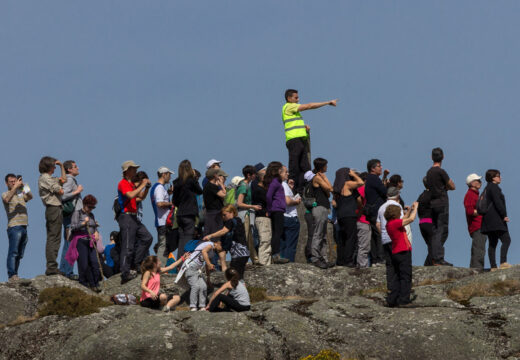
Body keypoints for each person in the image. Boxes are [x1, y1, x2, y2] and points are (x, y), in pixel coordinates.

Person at [282, 89, 337, 194]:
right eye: (296, 97)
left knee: (306, 168)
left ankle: (302, 189)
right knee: (294, 167)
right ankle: (292, 187)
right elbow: (309, 106)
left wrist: (306, 131)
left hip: (300, 140)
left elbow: (296, 127)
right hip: (294, 141)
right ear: (289, 98)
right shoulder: (289, 106)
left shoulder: (294, 112)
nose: (298, 99)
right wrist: (327, 103)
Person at [117, 161, 153, 284]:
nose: (135, 171)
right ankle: (125, 272)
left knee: (147, 238)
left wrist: (146, 188)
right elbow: (131, 195)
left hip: (133, 217)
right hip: (126, 217)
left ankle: (137, 263)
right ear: (127, 171)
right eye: (133, 169)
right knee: (128, 246)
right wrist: (142, 184)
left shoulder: (130, 184)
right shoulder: (123, 183)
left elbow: (140, 197)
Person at [384, 202, 418, 307]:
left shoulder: (389, 224)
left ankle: (393, 299)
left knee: (398, 276)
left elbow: (405, 219)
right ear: (395, 214)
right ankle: (403, 300)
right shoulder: (395, 223)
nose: (401, 214)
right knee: (405, 276)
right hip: (403, 251)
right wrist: (416, 208)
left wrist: (409, 211)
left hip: (396, 252)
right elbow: (411, 219)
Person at [426, 147, 455, 266]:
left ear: (431, 157)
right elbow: (452, 186)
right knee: (442, 230)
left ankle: (434, 256)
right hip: (442, 202)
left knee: (436, 230)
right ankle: (438, 258)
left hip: (432, 203)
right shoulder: (441, 172)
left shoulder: (429, 172)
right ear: (443, 157)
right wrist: (446, 186)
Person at [38, 156, 67, 276]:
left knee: (56, 238)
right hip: (53, 208)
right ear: (49, 166)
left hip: (57, 208)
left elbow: (63, 180)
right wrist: (59, 186)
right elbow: (60, 190)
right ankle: (51, 266)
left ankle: (53, 265)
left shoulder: (49, 178)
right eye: (54, 165)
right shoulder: (45, 178)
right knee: (53, 237)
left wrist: (62, 167)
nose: (55, 167)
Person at [203, 205, 250, 278]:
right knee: (237, 275)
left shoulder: (231, 221)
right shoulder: (238, 220)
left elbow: (224, 231)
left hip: (239, 254)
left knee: (235, 276)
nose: (223, 217)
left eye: (225, 215)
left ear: (231, 212)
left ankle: (238, 287)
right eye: (222, 215)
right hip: (243, 253)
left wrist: (210, 236)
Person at [67, 195, 102, 292]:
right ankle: (85, 282)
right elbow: (73, 227)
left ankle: (95, 283)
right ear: (84, 204)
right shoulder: (77, 213)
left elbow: (94, 227)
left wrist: (96, 230)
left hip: (91, 240)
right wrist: (83, 223)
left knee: (95, 263)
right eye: (89, 207)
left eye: (93, 207)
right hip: (81, 240)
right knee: (84, 263)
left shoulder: (91, 215)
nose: (91, 209)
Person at [3, 174, 33, 281]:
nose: (13, 183)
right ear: (6, 183)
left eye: (15, 181)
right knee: (13, 251)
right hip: (14, 227)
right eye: (11, 181)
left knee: (20, 253)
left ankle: (15, 274)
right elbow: (7, 200)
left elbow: (30, 196)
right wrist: (15, 187)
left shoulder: (20, 194)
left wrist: (23, 185)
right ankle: (12, 274)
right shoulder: (6, 194)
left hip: (24, 226)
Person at [481, 169, 512, 271]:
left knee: (492, 243)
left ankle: (493, 266)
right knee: (506, 240)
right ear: (493, 177)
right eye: (498, 176)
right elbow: (498, 202)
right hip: (496, 219)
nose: (500, 177)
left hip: (487, 220)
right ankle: (503, 262)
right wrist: (504, 215)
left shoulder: (486, 188)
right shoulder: (494, 187)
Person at [173, 160, 204, 259]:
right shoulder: (191, 181)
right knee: (188, 237)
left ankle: (179, 261)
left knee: (182, 238)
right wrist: (195, 178)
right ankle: (185, 261)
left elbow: (174, 200)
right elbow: (200, 191)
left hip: (180, 213)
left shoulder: (177, 182)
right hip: (189, 213)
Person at [333, 168, 364, 267]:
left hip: (340, 215)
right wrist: (354, 175)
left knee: (342, 238)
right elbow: (361, 183)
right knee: (351, 238)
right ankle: (348, 260)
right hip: (349, 215)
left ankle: (341, 260)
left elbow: (334, 203)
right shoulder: (347, 184)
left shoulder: (337, 188)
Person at [59, 160, 83, 280]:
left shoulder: (71, 179)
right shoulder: (69, 179)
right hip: (71, 216)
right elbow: (63, 196)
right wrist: (77, 191)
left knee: (70, 242)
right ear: (69, 169)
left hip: (72, 216)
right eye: (75, 166)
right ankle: (66, 271)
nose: (77, 168)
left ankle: (66, 270)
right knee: (70, 243)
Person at [184, 240, 224, 311]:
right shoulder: (210, 245)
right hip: (191, 266)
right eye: (222, 246)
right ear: (217, 243)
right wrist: (209, 264)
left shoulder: (212, 252)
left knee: (203, 286)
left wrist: (208, 278)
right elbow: (203, 251)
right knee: (195, 286)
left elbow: (206, 265)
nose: (222, 249)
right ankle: (193, 306)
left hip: (198, 269)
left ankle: (202, 306)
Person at [376, 187, 404, 287]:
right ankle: (399, 286)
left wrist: (383, 233)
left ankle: (391, 286)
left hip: (385, 238)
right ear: (397, 195)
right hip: (396, 238)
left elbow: (378, 224)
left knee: (390, 264)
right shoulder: (397, 206)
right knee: (400, 263)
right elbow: (401, 222)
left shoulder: (381, 207)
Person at [309, 158, 334, 269]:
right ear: (322, 166)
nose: (327, 167)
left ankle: (324, 258)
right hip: (318, 208)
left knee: (323, 235)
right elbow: (330, 188)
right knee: (318, 233)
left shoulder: (320, 177)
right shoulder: (317, 178)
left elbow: (328, 194)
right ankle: (315, 257)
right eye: (326, 165)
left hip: (324, 207)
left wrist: (325, 179)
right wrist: (324, 178)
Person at [265, 162, 290, 264]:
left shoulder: (277, 182)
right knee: (277, 233)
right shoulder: (275, 182)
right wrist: (270, 209)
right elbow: (268, 196)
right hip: (277, 210)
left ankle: (276, 254)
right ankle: (275, 254)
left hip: (278, 209)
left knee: (277, 232)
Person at [365, 159, 388, 266]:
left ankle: (374, 259)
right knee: (379, 234)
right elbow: (384, 191)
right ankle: (380, 258)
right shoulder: (374, 178)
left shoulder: (370, 179)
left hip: (371, 211)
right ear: (372, 168)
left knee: (374, 236)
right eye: (379, 166)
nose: (381, 167)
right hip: (376, 211)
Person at [236, 165, 261, 264]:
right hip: (244, 214)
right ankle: (245, 259)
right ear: (249, 175)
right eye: (254, 174)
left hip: (247, 213)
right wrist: (253, 207)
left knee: (249, 237)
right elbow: (239, 203)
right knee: (245, 237)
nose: (255, 176)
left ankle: (254, 258)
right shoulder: (244, 186)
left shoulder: (246, 185)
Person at [150, 166, 174, 266]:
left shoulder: (157, 187)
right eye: (169, 175)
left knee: (164, 245)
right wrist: (171, 203)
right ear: (164, 174)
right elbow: (159, 203)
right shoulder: (159, 187)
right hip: (162, 221)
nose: (170, 177)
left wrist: (168, 193)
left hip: (161, 221)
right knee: (163, 245)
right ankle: (160, 268)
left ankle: (161, 267)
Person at [463, 173, 486, 271]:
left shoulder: (474, 194)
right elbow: (470, 211)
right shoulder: (470, 194)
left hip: (479, 225)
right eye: (477, 180)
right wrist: (483, 212)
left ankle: (474, 270)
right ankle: (477, 270)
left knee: (478, 248)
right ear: (472, 183)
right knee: (479, 250)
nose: (480, 182)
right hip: (477, 226)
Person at [281, 166, 301, 262]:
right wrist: (296, 202)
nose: (288, 174)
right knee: (291, 244)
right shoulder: (283, 185)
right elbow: (287, 202)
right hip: (290, 217)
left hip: (282, 216)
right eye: (286, 172)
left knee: (283, 244)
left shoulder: (278, 185)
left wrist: (290, 189)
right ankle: (289, 264)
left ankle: (282, 262)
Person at [252, 168, 272, 265]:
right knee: (265, 239)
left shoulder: (259, 189)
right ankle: (264, 262)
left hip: (261, 217)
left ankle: (265, 261)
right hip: (263, 217)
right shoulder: (260, 190)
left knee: (265, 240)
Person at [202, 168, 228, 241]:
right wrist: (222, 185)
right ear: (214, 175)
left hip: (211, 212)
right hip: (215, 213)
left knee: (210, 231)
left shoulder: (207, 186)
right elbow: (224, 195)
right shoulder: (211, 186)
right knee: (215, 234)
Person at [417, 177, 434, 266]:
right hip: (429, 222)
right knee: (433, 245)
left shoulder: (421, 195)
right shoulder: (432, 195)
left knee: (430, 245)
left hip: (422, 223)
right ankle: (428, 264)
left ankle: (428, 263)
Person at [356, 172, 371, 268]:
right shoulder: (363, 189)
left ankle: (360, 264)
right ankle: (362, 267)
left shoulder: (357, 189)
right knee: (364, 246)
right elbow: (359, 200)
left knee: (360, 245)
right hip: (363, 220)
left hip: (358, 219)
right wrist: (362, 209)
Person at [303, 170, 316, 263]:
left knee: (312, 234)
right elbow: (308, 201)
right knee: (312, 234)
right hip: (311, 213)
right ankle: (310, 254)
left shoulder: (306, 187)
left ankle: (311, 253)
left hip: (309, 213)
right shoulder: (310, 187)